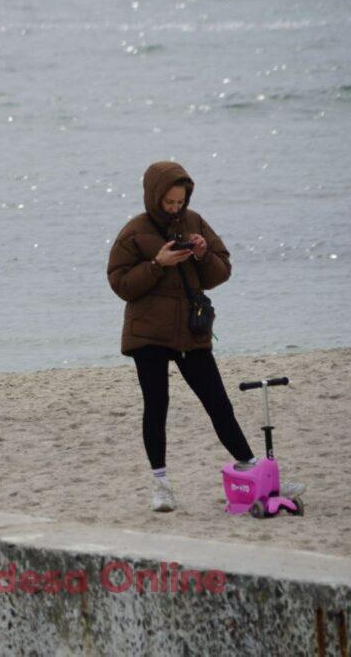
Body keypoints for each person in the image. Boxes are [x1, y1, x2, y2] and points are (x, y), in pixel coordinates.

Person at [106, 161, 304, 512]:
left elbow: (221, 270)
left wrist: (202, 253)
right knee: (157, 406)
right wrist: (157, 264)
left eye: (180, 201)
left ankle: (251, 468)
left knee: (217, 402)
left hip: (191, 330)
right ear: (154, 196)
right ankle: (161, 485)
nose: (175, 208)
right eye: (168, 202)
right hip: (148, 333)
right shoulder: (133, 233)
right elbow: (120, 284)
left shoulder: (195, 222)